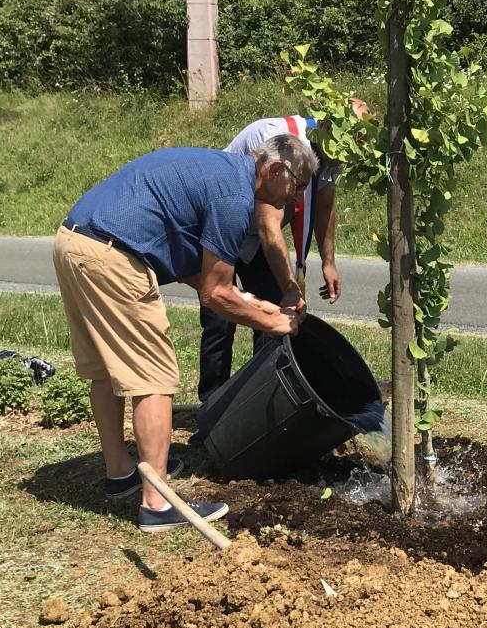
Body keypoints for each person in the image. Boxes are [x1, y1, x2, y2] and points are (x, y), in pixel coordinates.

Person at [53, 136, 316, 531]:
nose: (293, 203)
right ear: (276, 171)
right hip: (114, 257)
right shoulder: (234, 197)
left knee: (106, 371)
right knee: (155, 378)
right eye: (297, 187)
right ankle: (158, 504)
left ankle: (120, 470)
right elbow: (215, 296)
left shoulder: (221, 175)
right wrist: (272, 321)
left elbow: (203, 276)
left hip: (75, 242)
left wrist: (251, 302)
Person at [199, 99, 371, 400]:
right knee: (220, 315)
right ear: (328, 128)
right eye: (347, 146)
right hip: (224, 225)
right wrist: (292, 286)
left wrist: (328, 262)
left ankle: (253, 401)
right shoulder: (279, 140)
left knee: (276, 313)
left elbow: (325, 203)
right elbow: (269, 227)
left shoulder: (333, 152)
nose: (346, 157)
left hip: (255, 238)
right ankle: (211, 405)